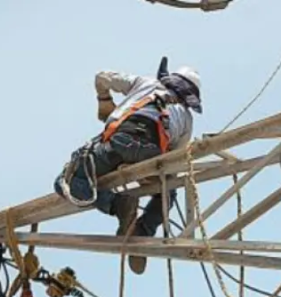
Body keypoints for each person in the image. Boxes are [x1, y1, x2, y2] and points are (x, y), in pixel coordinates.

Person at [54, 60, 202, 275]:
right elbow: (175, 162)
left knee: (65, 182)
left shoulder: (145, 83)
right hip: (152, 155)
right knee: (168, 191)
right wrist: (155, 177)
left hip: (116, 145)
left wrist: (104, 100)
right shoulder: (186, 119)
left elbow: (101, 77)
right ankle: (142, 230)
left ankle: (118, 205)